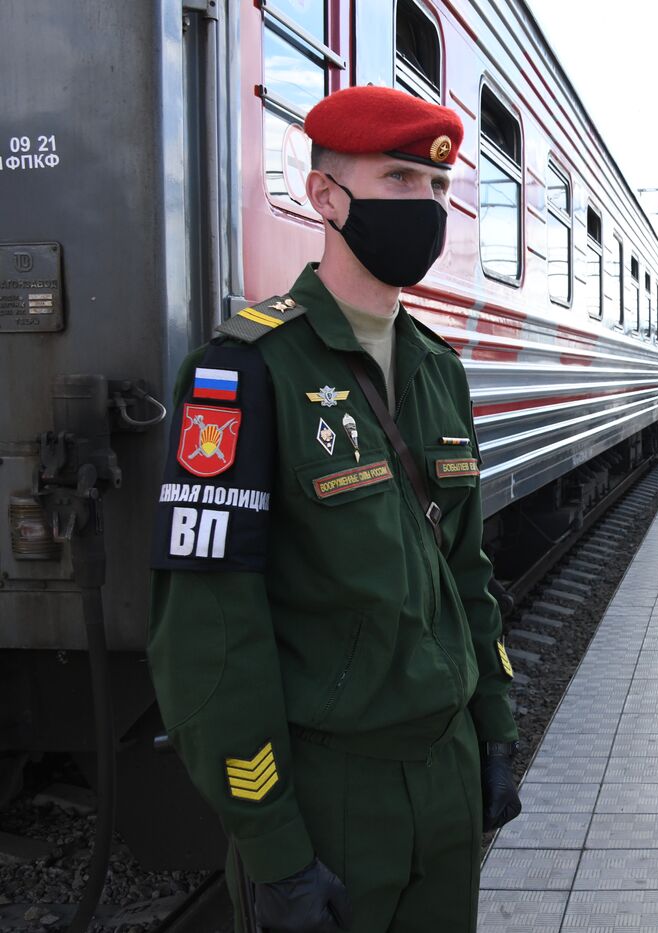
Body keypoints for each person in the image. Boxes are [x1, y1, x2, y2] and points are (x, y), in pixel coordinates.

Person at [147, 85, 520, 933]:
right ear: (326, 197)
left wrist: (494, 728)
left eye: (435, 189)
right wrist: (273, 844)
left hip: (448, 770)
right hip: (331, 787)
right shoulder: (242, 373)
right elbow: (211, 633)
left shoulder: (436, 369)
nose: (424, 208)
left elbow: (469, 573)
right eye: (397, 180)